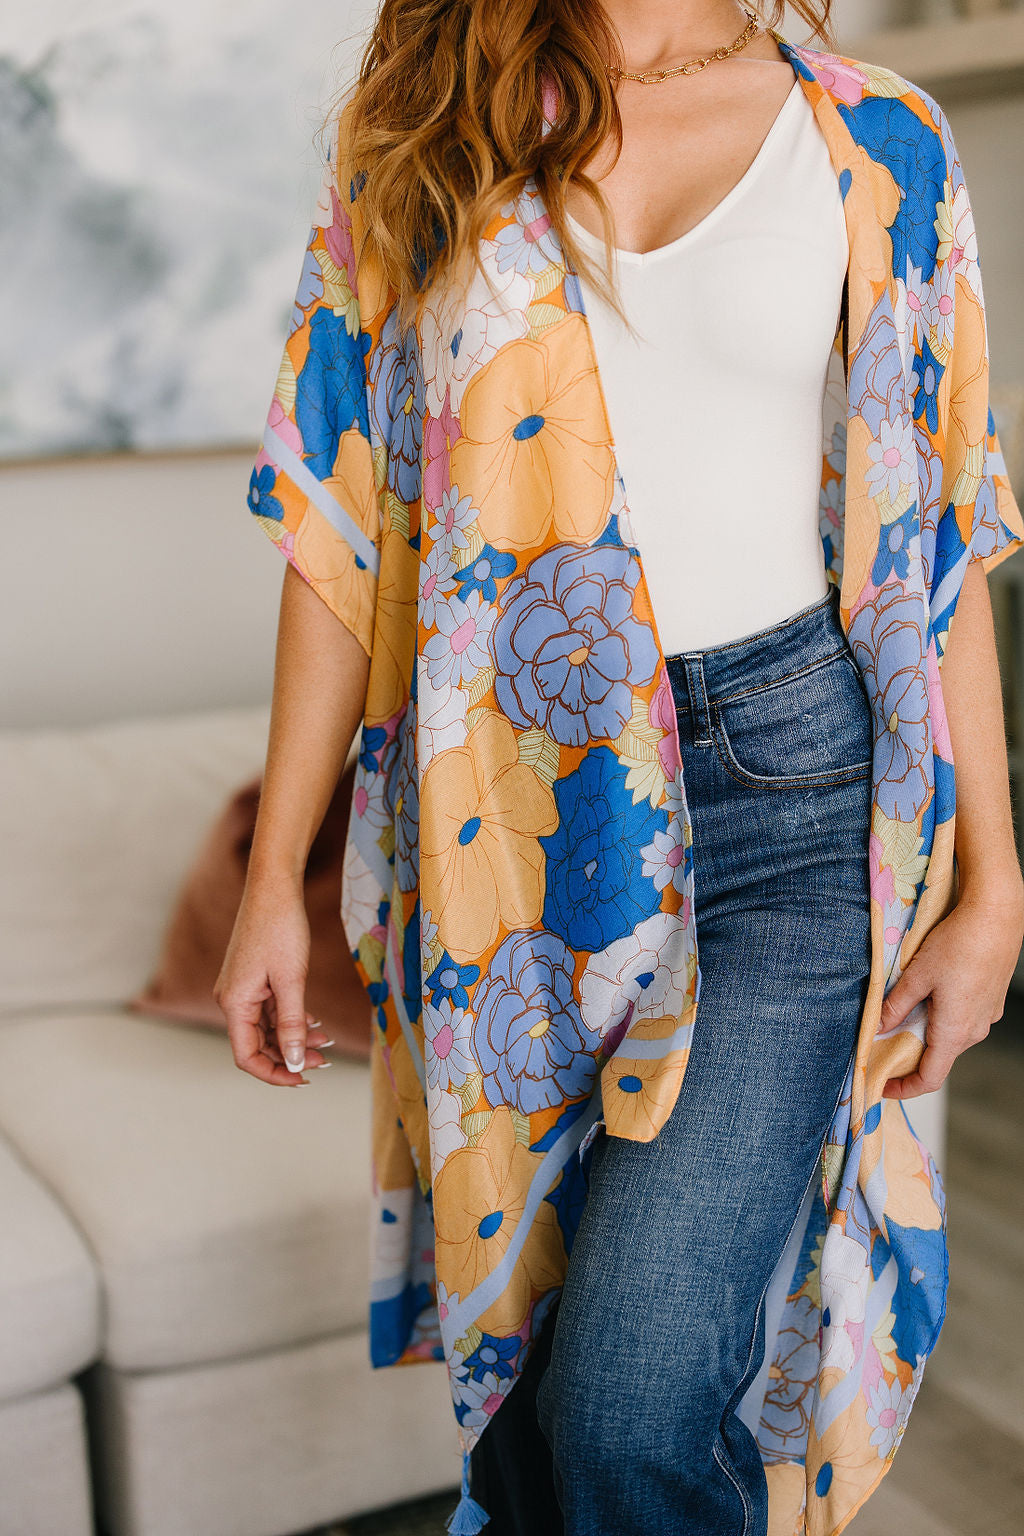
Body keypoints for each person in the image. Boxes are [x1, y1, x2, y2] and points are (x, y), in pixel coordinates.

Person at [214, 1, 1024, 1532]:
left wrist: (998, 879)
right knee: (534, 1396)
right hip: (516, 816)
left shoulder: (876, 137)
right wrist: (273, 885)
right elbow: (336, 529)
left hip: (799, 801)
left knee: (626, 1403)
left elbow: (944, 529)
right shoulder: (426, 137)